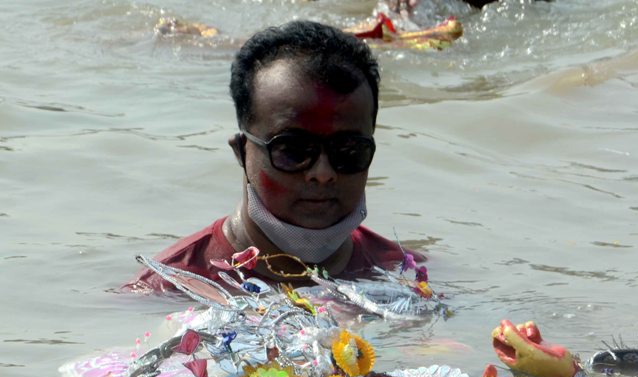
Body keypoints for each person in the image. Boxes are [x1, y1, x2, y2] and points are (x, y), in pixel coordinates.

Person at [125, 21, 424, 294]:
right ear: (242, 151)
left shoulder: (402, 273)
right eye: (293, 150)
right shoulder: (171, 287)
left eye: (348, 151)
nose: (322, 172)